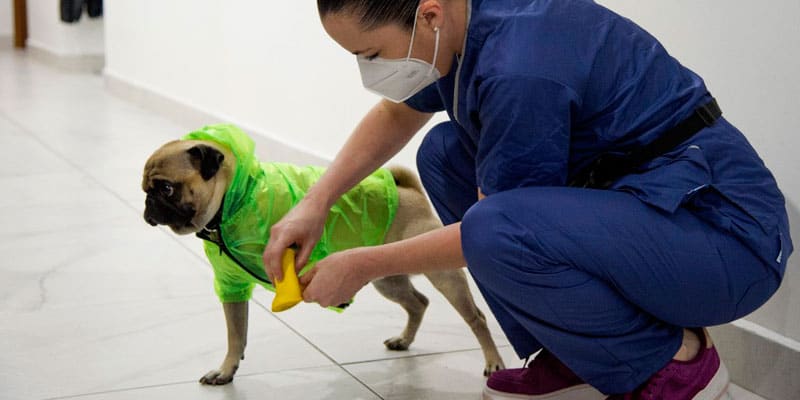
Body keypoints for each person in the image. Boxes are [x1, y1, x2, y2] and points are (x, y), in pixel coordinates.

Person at [262, 0, 793, 398]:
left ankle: (675, 365)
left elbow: (490, 232)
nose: (369, 71)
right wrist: (317, 202)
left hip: (725, 242)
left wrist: (364, 264)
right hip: (648, 212)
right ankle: (575, 355)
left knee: (497, 226)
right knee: (446, 152)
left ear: (428, 16)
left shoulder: (519, 66)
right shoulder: (465, 23)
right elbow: (401, 111)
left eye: (370, 54)